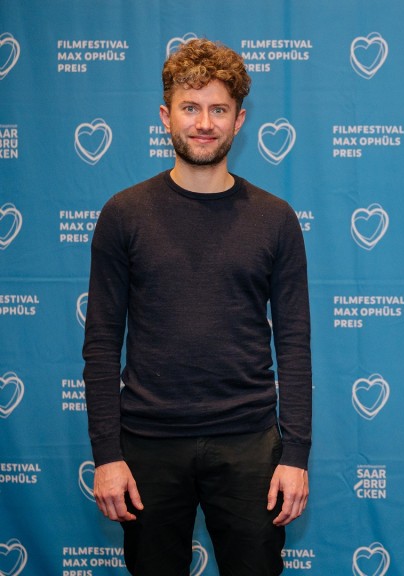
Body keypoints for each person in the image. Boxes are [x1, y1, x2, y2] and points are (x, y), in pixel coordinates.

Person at [83, 38, 311, 576]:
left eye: (218, 109)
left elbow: (295, 342)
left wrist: (295, 455)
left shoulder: (275, 219)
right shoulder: (124, 215)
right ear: (166, 116)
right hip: (147, 446)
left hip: (250, 444)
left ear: (239, 120)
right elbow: (100, 342)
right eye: (190, 107)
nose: (204, 122)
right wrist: (107, 455)